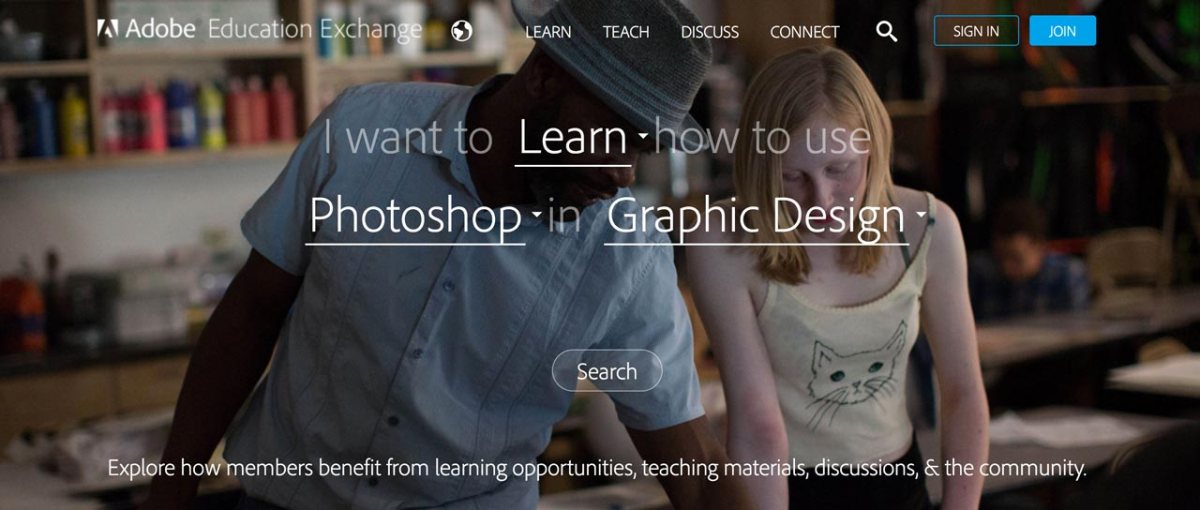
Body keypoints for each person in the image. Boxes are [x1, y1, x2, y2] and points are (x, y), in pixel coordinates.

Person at [142, 0, 752, 508]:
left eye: (641, 148)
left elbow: (694, 466)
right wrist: (171, 488)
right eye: (613, 136)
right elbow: (253, 309)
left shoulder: (625, 254)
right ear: (544, 78)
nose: (623, 175)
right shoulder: (363, 134)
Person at [687, 46, 988, 509]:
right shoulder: (720, 239)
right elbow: (757, 423)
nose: (822, 200)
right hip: (788, 487)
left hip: (897, 484)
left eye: (839, 169)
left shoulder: (928, 226)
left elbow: (963, 393)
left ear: (873, 150)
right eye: (792, 177)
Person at [968, 199, 1090, 321]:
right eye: (1000, 257)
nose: (1006, 267)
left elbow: (1077, 327)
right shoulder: (979, 272)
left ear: (1040, 248)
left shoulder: (1068, 274)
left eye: (1016, 258)